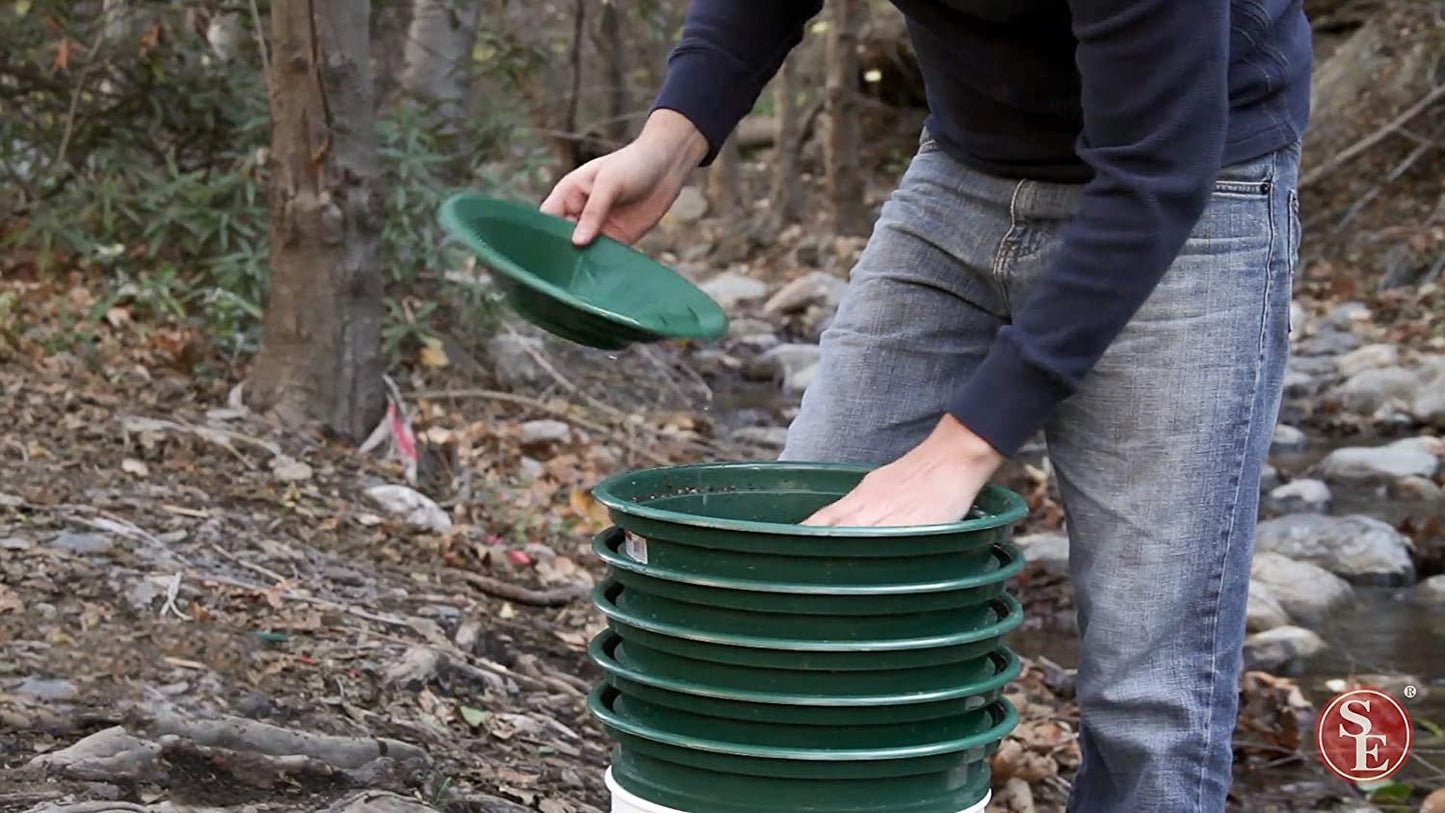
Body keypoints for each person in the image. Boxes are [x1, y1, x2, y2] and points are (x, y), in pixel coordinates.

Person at [542, 1, 1311, 809]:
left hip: (1196, 185)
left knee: (1147, 696)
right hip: (964, 172)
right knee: (810, 593)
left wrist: (958, 450)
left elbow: (1156, 170)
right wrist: (668, 145)